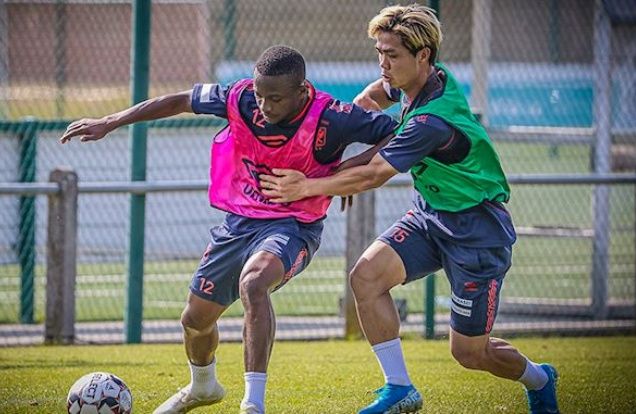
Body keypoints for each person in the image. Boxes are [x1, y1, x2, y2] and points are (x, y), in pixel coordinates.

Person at [60, 45, 397, 414]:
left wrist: (352, 168)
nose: (264, 106)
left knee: (254, 283)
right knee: (194, 321)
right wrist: (110, 121)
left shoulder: (333, 116)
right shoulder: (240, 97)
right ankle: (203, 386)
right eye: (260, 95)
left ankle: (253, 403)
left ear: (302, 91)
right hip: (238, 224)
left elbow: (398, 133)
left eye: (275, 99)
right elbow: (179, 100)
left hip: (294, 225)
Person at [259, 5, 560, 414]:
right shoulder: (416, 81)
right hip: (430, 216)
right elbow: (370, 99)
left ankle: (540, 378)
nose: (383, 64)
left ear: (423, 56)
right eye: (379, 53)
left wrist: (309, 185)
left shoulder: (432, 121)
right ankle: (399, 387)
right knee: (365, 277)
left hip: (477, 231)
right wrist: (347, 144)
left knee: (470, 353)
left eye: (392, 55)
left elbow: (374, 175)